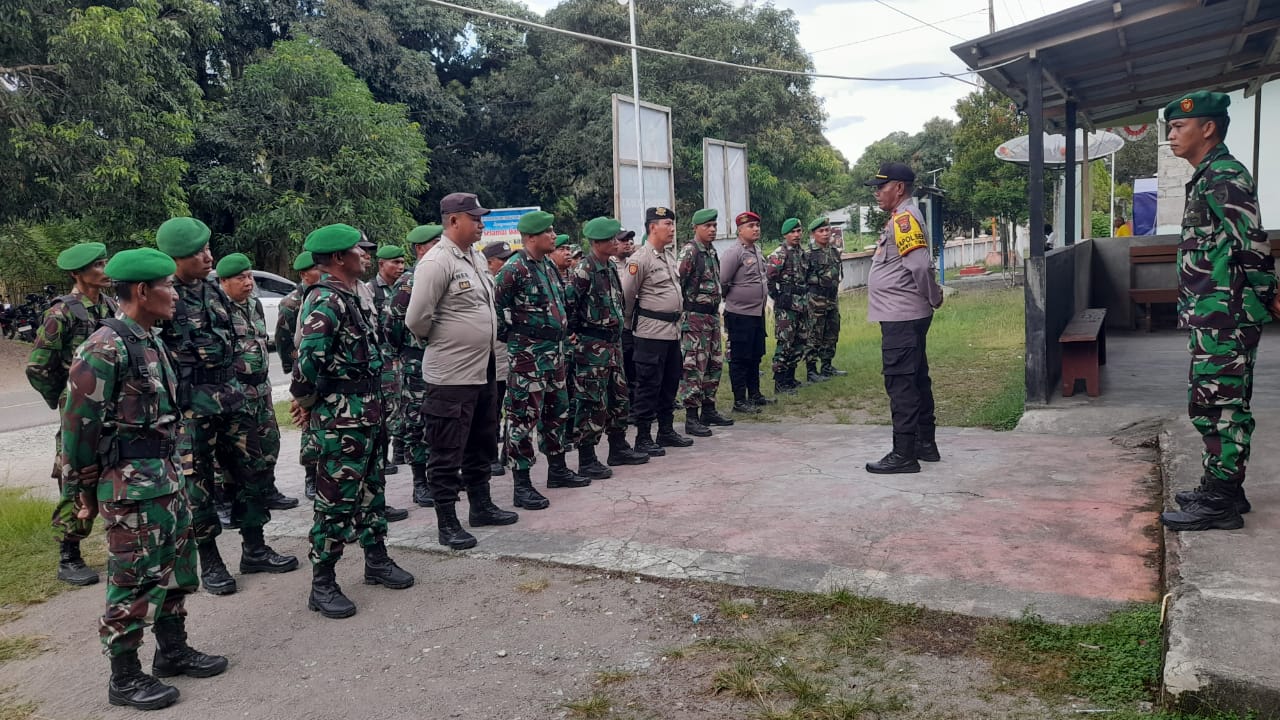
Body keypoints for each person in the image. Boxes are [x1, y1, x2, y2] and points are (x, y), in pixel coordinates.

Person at [62, 248, 227, 710]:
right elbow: (76, 429)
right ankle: (125, 677)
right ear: (141, 291)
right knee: (133, 580)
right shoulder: (103, 347)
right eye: (167, 287)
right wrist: (82, 493)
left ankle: (172, 652)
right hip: (130, 488)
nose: (174, 294)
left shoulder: (148, 339)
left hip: (166, 479)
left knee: (177, 571)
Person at [156, 218, 296, 596]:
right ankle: (211, 561)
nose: (208, 255)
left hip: (233, 401)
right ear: (177, 258)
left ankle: (255, 547)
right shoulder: (163, 296)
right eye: (199, 252)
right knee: (199, 487)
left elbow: (233, 343)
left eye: (207, 248)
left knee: (250, 472)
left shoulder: (213, 290)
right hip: (191, 412)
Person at [1160, 91, 1278, 532]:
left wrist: (1268, 292)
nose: (1171, 135)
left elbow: (1251, 242)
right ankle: (1225, 485)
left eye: (1179, 127)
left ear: (1207, 129)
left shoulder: (1224, 174)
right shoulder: (1209, 175)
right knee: (1215, 401)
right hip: (1215, 314)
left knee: (1220, 405)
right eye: (1170, 128)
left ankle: (1220, 503)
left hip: (1226, 315)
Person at [290, 224, 415, 618]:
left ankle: (376, 559)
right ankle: (322, 582)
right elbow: (307, 361)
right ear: (339, 258)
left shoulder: (353, 297)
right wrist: (306, 402)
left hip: (367, 411)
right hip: (340, 419)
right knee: (335, 499)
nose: (365, 255)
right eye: (358, 251)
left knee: (371, 490)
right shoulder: (326, 300)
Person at [406, 193, 520, 549]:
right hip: (451, 375)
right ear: (453, 220)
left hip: (483, 369)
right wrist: (448, 341)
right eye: (475, 218)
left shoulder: (474, 258)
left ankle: (481, 505)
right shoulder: (436, 262)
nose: (482, 224)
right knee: (446, 450)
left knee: (481, 442)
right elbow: (416, 320)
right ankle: (447, 521)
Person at [26, 241, 118, 586]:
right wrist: (63, 399)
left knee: (113, 467)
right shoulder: (60, 313)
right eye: (97, 266)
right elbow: (37, 367)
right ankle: (69, 554)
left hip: (110, 407)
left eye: (104, 263)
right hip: (79, 410)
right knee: (75, 474)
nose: (104, 270)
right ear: (77, 274)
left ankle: (119, 539)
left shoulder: (110, 305)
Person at [495, 210, 590, 497]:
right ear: (531, 237)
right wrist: (519, 341)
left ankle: (557, 470)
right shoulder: (513, 270)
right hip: (528, 356)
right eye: (548, 232)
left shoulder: (547, 266)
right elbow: (497, 312)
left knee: (556, 411)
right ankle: (521, 484)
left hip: (555, 353)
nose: (553, 236)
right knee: (523, 417)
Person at [864, 162, 944, 474]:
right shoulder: (902, 218)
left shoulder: (905, 220)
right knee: (917, 379)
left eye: (881, 187)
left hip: (903, 317)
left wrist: (933, 296)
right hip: (905, 315)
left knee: (901, 384)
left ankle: (904, 454)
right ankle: (925, 444)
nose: (876, 193)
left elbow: (921, 267)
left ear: (899, 188)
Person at [217, 253, 298, 519]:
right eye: (241, 278)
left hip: (261, 388)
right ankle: (230, 501)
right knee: (238, 450)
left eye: (250, 276)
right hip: (236, 392)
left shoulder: (254, 304)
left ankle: (268, 489)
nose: (249, 282)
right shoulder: (218, 309)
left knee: (269, 441)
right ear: (224, 281)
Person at [568, 217, 650, 476]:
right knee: (592, 401)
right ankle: (587, 457)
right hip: (592, 347)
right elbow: (569, 306)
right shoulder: (585, 269)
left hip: (612, 344)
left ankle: (618, 447)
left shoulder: (611, 267)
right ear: (596, 242)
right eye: (611, 239)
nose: (617, 243)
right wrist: (575, 336)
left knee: (619, 397)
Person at [621, 206, 691, 455]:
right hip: (650, 334)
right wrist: (628, 329)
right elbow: (627, 296)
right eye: (667, 224)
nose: (672, 229)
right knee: (648, 385)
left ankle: (666, 430)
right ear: (652, 227)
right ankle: (642, 437)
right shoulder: (640, 259)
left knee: (670, 382)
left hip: (672, 332)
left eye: (673, 224)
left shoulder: (668, 256)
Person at [385, 225, 443, 508]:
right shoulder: (410, 282)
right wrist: (405, 351)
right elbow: (393, 324)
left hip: (445, 360)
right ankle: (420, 483)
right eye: (435, 243)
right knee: (418, 421)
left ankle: (442, 477)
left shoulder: (445, 274)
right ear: (420, 249)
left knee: (443, 420)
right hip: (416, 361)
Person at [678, 208, 732, 436]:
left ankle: (708, 409)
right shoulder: (690, 252)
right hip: (694, 319)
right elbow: (677, 283)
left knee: (714, 364)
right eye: (707, 226)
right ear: (695, 228)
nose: (712, 230)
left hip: (711, 317)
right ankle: (691, 417)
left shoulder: (711, 252)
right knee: (693, 367)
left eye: (714, 226)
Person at [276, 251, 322, 500]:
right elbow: (284, 341)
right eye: (317, 269)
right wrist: (293, 373)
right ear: (305, 274)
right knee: (308, 424)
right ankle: (310, 476)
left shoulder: (328, 293)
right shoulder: (292, 302)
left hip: (322, 368)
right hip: (303, 368)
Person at [719, 211, 773, 414]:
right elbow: (723, 281)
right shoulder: (734, 253)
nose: (756, 229)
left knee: (755, 355)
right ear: (740, 230)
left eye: (757, 225)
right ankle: (739, 400)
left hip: (756, 313)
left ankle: (755, 394)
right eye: (751, 226)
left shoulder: (756, 250)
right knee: (740, 358)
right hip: (740, 314)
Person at [369, 245, 409, 472]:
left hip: (403, 356)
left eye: (403, 262)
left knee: (405, 403)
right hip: (383, 359)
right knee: (387, 407)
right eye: (395, 262)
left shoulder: (406, 287)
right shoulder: (371, 290)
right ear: (381, 264)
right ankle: (382, 455)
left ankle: (400, 450)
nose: (400, 267)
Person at [483, 241, 517, 480]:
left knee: (512, 406)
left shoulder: (510, 282)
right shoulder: (484, 284)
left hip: (511, 353)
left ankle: (508, 451)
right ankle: (490, 455)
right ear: (489, 262)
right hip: (491, 354)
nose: (506, 264)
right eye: (501, 260)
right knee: (491, 408)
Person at [767, 218, 809, 395]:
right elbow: (769, 277)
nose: (797, 235)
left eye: (799, 231)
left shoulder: (802, 253)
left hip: (801, 304)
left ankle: (791, 378)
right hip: (786, 306)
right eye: (793, 232)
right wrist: (777, 296)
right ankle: (780, 381)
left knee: (800, 340)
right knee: (785, 342)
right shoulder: (779, 254)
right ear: (785, 234)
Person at [803, 217, 846, 382]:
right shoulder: (808, 254)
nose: (825, 233)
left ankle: (827, 366)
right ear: (814, 234)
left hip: (832, 299)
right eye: (821, 231)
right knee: (814, 334)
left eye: (827, 230)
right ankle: (811, 370)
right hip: (815, 300)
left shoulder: (834, 251)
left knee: (832, 333)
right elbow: (802, 278)